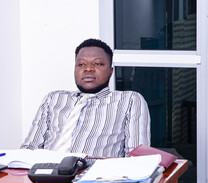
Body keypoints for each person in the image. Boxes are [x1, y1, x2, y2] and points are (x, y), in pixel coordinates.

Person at [20, 38, 150, 157]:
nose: (88, 68)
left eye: (98, 63)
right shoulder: (54, 98)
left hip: (95, 177)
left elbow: (137, 157)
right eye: (81, 64)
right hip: (45, 174)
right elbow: (29, 148)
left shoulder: (129, 100)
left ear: (110, 71)